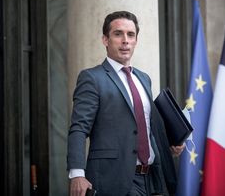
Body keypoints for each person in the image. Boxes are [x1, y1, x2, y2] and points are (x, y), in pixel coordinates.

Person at [67, 10, 185, 196]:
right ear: (105, 40)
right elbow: (79, 128)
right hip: (114, 179)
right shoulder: (92, 78)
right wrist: (76, 174)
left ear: (136, 40)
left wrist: (170, 143)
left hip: (153, 178)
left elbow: (145, 126)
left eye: (131, 35)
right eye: (118, 34)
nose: (125, 40)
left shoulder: (143, 78)